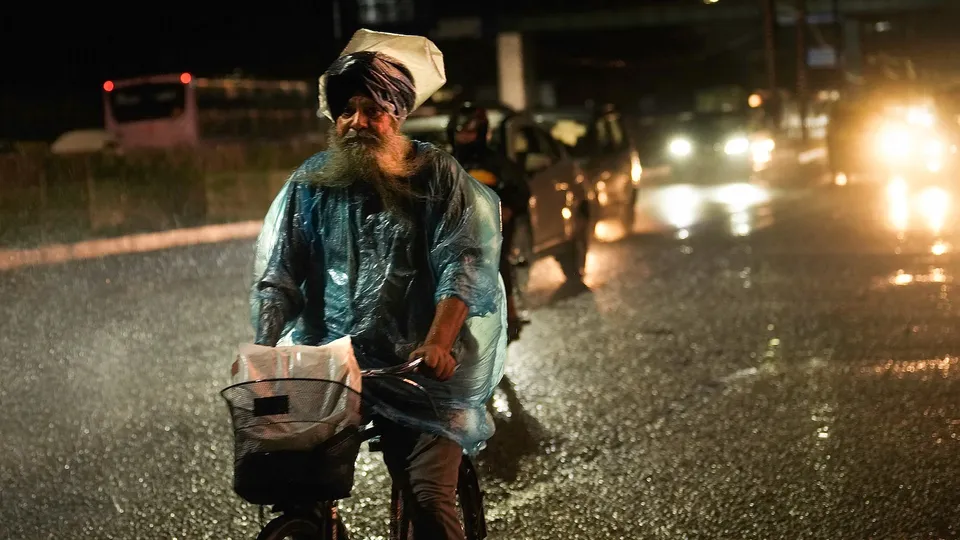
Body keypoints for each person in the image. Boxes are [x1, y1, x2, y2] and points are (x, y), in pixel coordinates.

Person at [249, 30, 507, 540]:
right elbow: (280, 275)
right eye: (346, 111)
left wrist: (437, 343)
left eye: (372, 110)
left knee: (428, 501)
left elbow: (462, 263)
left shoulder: (436, 176)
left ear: (398, 114)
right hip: (333, 367)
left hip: (421, 369)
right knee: (294, 484)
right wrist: (264, 349)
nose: (356, 122)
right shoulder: (312, 183)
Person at [447, 103, 531, 342]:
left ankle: (510, 313)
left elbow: (520, 190)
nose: (465, 137)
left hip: (490, 230)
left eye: (470, 131)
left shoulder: (496, 162)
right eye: (461, 131)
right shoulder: (447, 163)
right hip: (455, 230)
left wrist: (507, 210)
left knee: (497, 265)